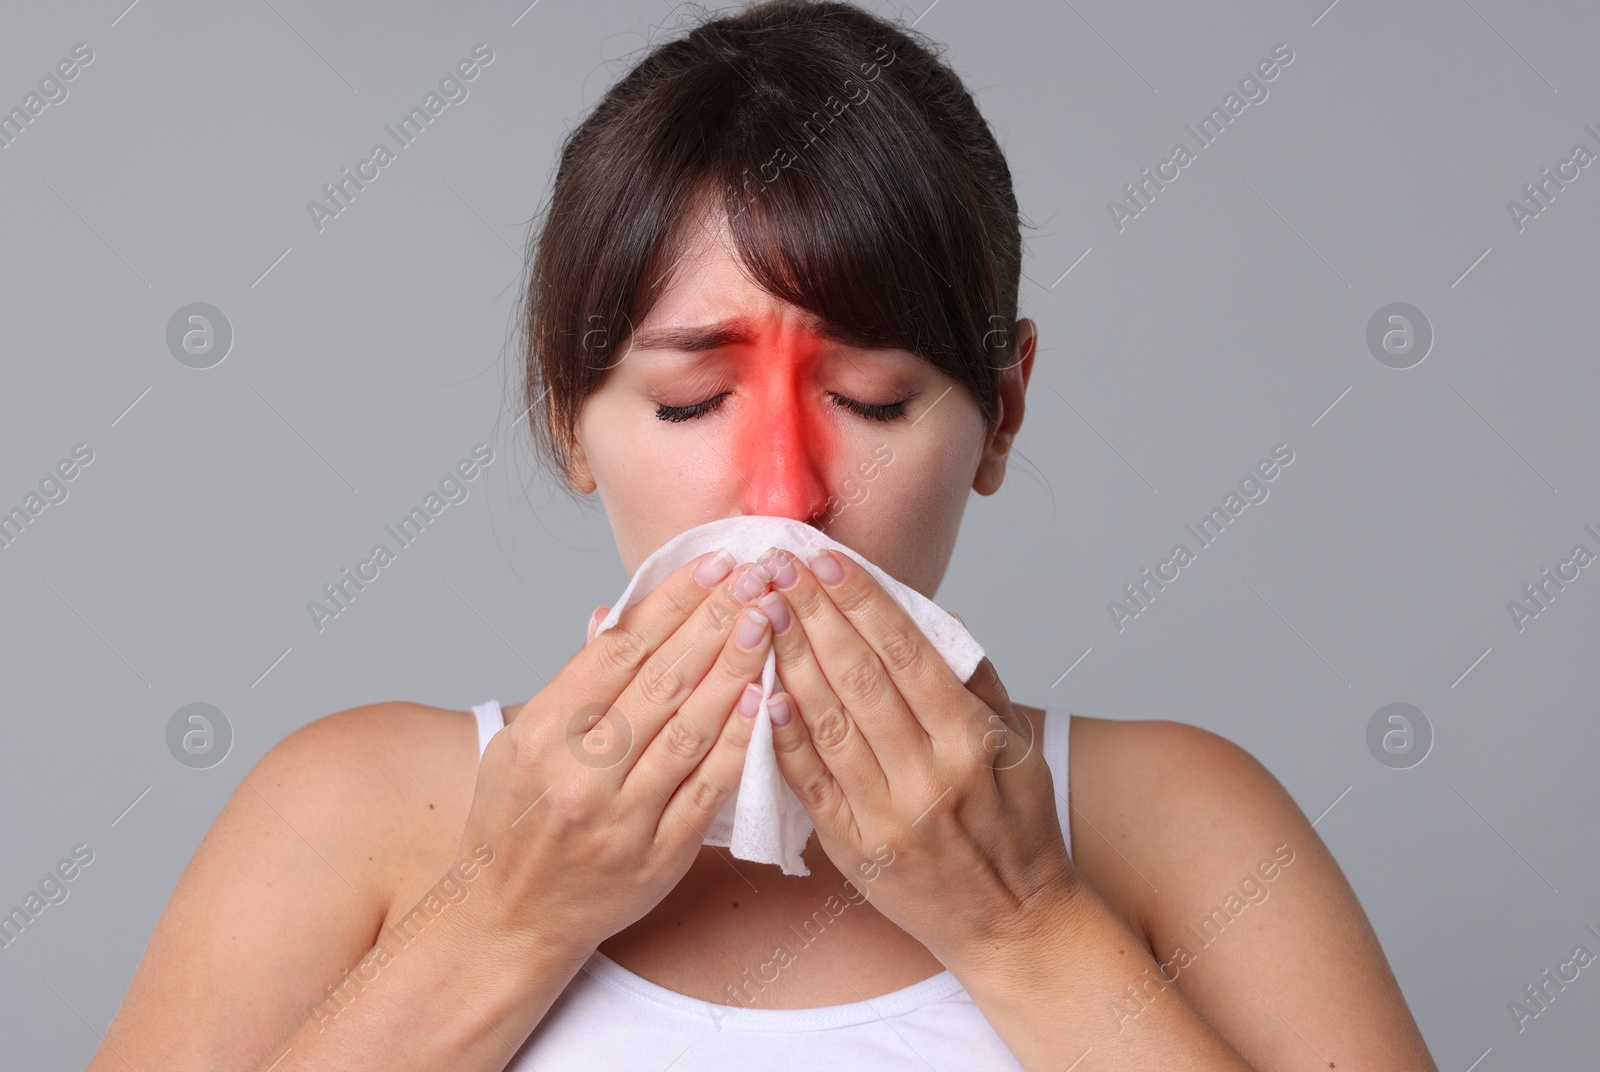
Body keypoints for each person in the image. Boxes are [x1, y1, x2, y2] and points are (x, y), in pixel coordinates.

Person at [89, 2, 1438, 1069]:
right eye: (688, 400)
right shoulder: (348, 818)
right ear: (570, 417)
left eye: (871, 398)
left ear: (1004, 411)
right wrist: (504, 917)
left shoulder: (1181, 828)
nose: (781, 493)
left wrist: (1028, 934)